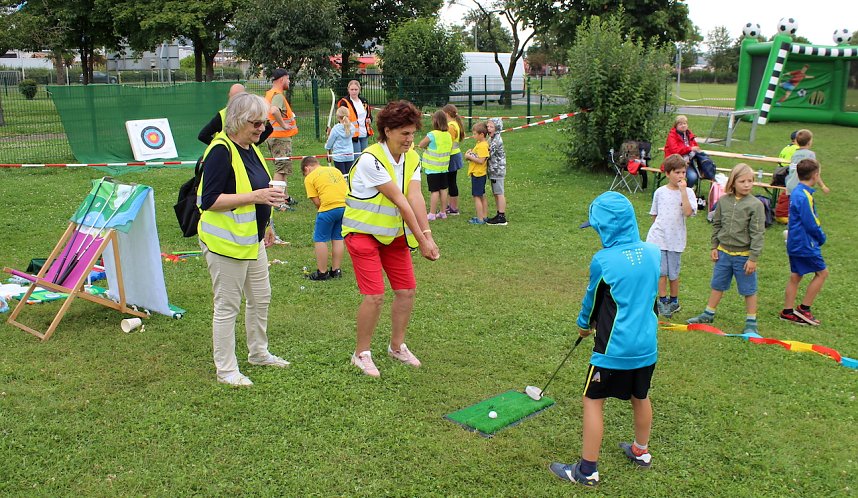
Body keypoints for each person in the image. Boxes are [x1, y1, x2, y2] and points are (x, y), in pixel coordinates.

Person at [549, 191, 660, 487]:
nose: (598, 233)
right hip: (647, 347)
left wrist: (583, 326)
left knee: (592, 400)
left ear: (607, 228)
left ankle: (587, 470)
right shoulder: (653, 252)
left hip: (613, 349)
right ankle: (641, 450)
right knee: (641, 396)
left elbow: (592, 298)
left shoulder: (603, 260)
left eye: (598, 227)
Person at [197, 92, 290, 387]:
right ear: (236, 121)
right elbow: (207, 200)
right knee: (227, 307)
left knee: (261, 298)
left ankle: (258, 353)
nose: (262, 128)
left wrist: (268, 223)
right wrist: (256, 197)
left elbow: (261, 187)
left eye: (263, 123)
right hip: (225, 244)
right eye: (256, 123)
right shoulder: (219, 151)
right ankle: (226, 370)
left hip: (252, 240)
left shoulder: (250, 147)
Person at [342, 100, 440, 378]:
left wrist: (428, 235)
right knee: (374, 296)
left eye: (412, 133)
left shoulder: (413, 158)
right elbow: (399, 199)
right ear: (387, 131)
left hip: (393, 235)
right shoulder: (371, 159)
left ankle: (396, 346)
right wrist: (422, 241)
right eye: (404, 133)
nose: (410, 139)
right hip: (362, 233)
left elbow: (415, 196)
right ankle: (361, 353)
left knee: (406, 291)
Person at [687, 164, 765, 335]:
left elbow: (758, 233)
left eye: (750, 181)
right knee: (718, 284)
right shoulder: (723, 201)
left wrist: (753, 258)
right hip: (723, 253)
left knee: (748, 289)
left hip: (744, 257)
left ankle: (751, 321)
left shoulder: (756, 205)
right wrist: (714, 246)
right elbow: (717, 224)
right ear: (733, 182)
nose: (747, 185)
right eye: (742, 181)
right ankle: (708, 313)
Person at [647, 154, 696, 318]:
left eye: (683, 172)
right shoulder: (660, 192)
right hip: (658, 238)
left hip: (676, 240)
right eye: (677, 172)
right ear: (668, 174)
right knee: (661, 273)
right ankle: (662, 301)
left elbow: (688, 212)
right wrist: (658, 230)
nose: (681, 176)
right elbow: (655, 215)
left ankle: (674, 301)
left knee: (673, 273)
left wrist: (683, 192)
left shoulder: (688, 192)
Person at [779, 159, 828, 326]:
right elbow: (810, 221)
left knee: (796, 276)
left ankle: (787, 311)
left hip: (795, 241)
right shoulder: (804, 195)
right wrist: (821, 237)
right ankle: (804, 309)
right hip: (805, 243)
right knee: (822, 273)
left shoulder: (797, 191)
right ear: (815, 175)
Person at [301, 156, 348, 281]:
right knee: (338, 237)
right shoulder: (334, 170)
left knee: (320, 239)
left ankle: (322, 272)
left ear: (307, 168)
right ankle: (336, 270)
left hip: (328, 208)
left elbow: (317, 202)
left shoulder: (310, 178)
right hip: (345, 206)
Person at [197, 83, 283, 146]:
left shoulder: (252, 113)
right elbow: (203, 135)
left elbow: (268, 129)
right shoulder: (222, 114)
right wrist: (221, 146)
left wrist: (252, 143)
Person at [264, 68, 300, 207]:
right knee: (280, 170)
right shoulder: (277, 95)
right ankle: (277, 201)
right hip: (280, 138)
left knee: (283, 169)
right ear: (282, 79)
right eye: (288, 79)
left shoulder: (269, 94)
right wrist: (284, 125)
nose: (289, 81)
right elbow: (274, 110)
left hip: (275, 137)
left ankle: (284, 198)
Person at [416, 110, 452, 221]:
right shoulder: (448, 135)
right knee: (443, 189)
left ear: (435, 121)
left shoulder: (432, 135)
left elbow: (421, 144)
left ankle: (432, 213)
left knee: (434, 191)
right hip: (444, 167)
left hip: (433, 168)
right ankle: (443, 212)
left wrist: (426, 147)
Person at [663, 115, 717, 188]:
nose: (683, 125)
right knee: (692, 177)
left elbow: (695, 146)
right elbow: (675, 151)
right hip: (674, 163)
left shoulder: (689, 134)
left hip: (689, 162)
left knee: (695, 176)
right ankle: (682, 191)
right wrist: (690, 149)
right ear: (676, 126)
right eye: (680, 124)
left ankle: (687, 191)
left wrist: (696, 150)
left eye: (685, 123)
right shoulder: (672, 135)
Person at [337, 79, 373, 154]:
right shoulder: (344, 102)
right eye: (352, 89)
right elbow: (341, 117)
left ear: (359, 90)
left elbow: (368, 115)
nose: (354, 91)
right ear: (348, 90)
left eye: (356, 89)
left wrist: (369, 119)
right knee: (356, 157)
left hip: (364, 133)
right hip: (352, 134)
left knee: (364, 156)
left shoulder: (364, 101)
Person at [464, 122, 490, 224]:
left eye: (475, 134)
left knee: (477, 196)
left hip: (478, 174)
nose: (473, 136)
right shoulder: (480, 144)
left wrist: (469, 157)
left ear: (482, 134)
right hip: (478, 174)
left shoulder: (483, 146)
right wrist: (471, 153)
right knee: (481, 195)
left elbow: (481, 160)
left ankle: (480, 219)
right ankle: (483, 216)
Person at [442, 104, 465, 215]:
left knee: (450, 182)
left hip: (451, 156)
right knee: (451, 181)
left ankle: (453, 207)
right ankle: (451, 207)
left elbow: (447, 142)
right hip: (454, 155)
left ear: (446, 114)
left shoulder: (451, 126)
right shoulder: (454, 124)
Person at [485, 118, 508, 226]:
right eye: (488, 126)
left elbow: (487, 153)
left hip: (497, 170)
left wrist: (473, 156)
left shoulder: (497, 140)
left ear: (497, 128)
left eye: (491, 127)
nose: (488, 129)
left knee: (499, 193)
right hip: (493, 170)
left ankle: (502, 216)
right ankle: (499, 213)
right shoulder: (492, 138)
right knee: (496, 193)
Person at [325, 106, 356, 177]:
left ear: (338, 117)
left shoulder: (336, 129)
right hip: (349, 155)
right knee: (348, 175)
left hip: (338, 156)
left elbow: (330, 142)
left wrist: (327, 146)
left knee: (341, 176)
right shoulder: (351, 127)